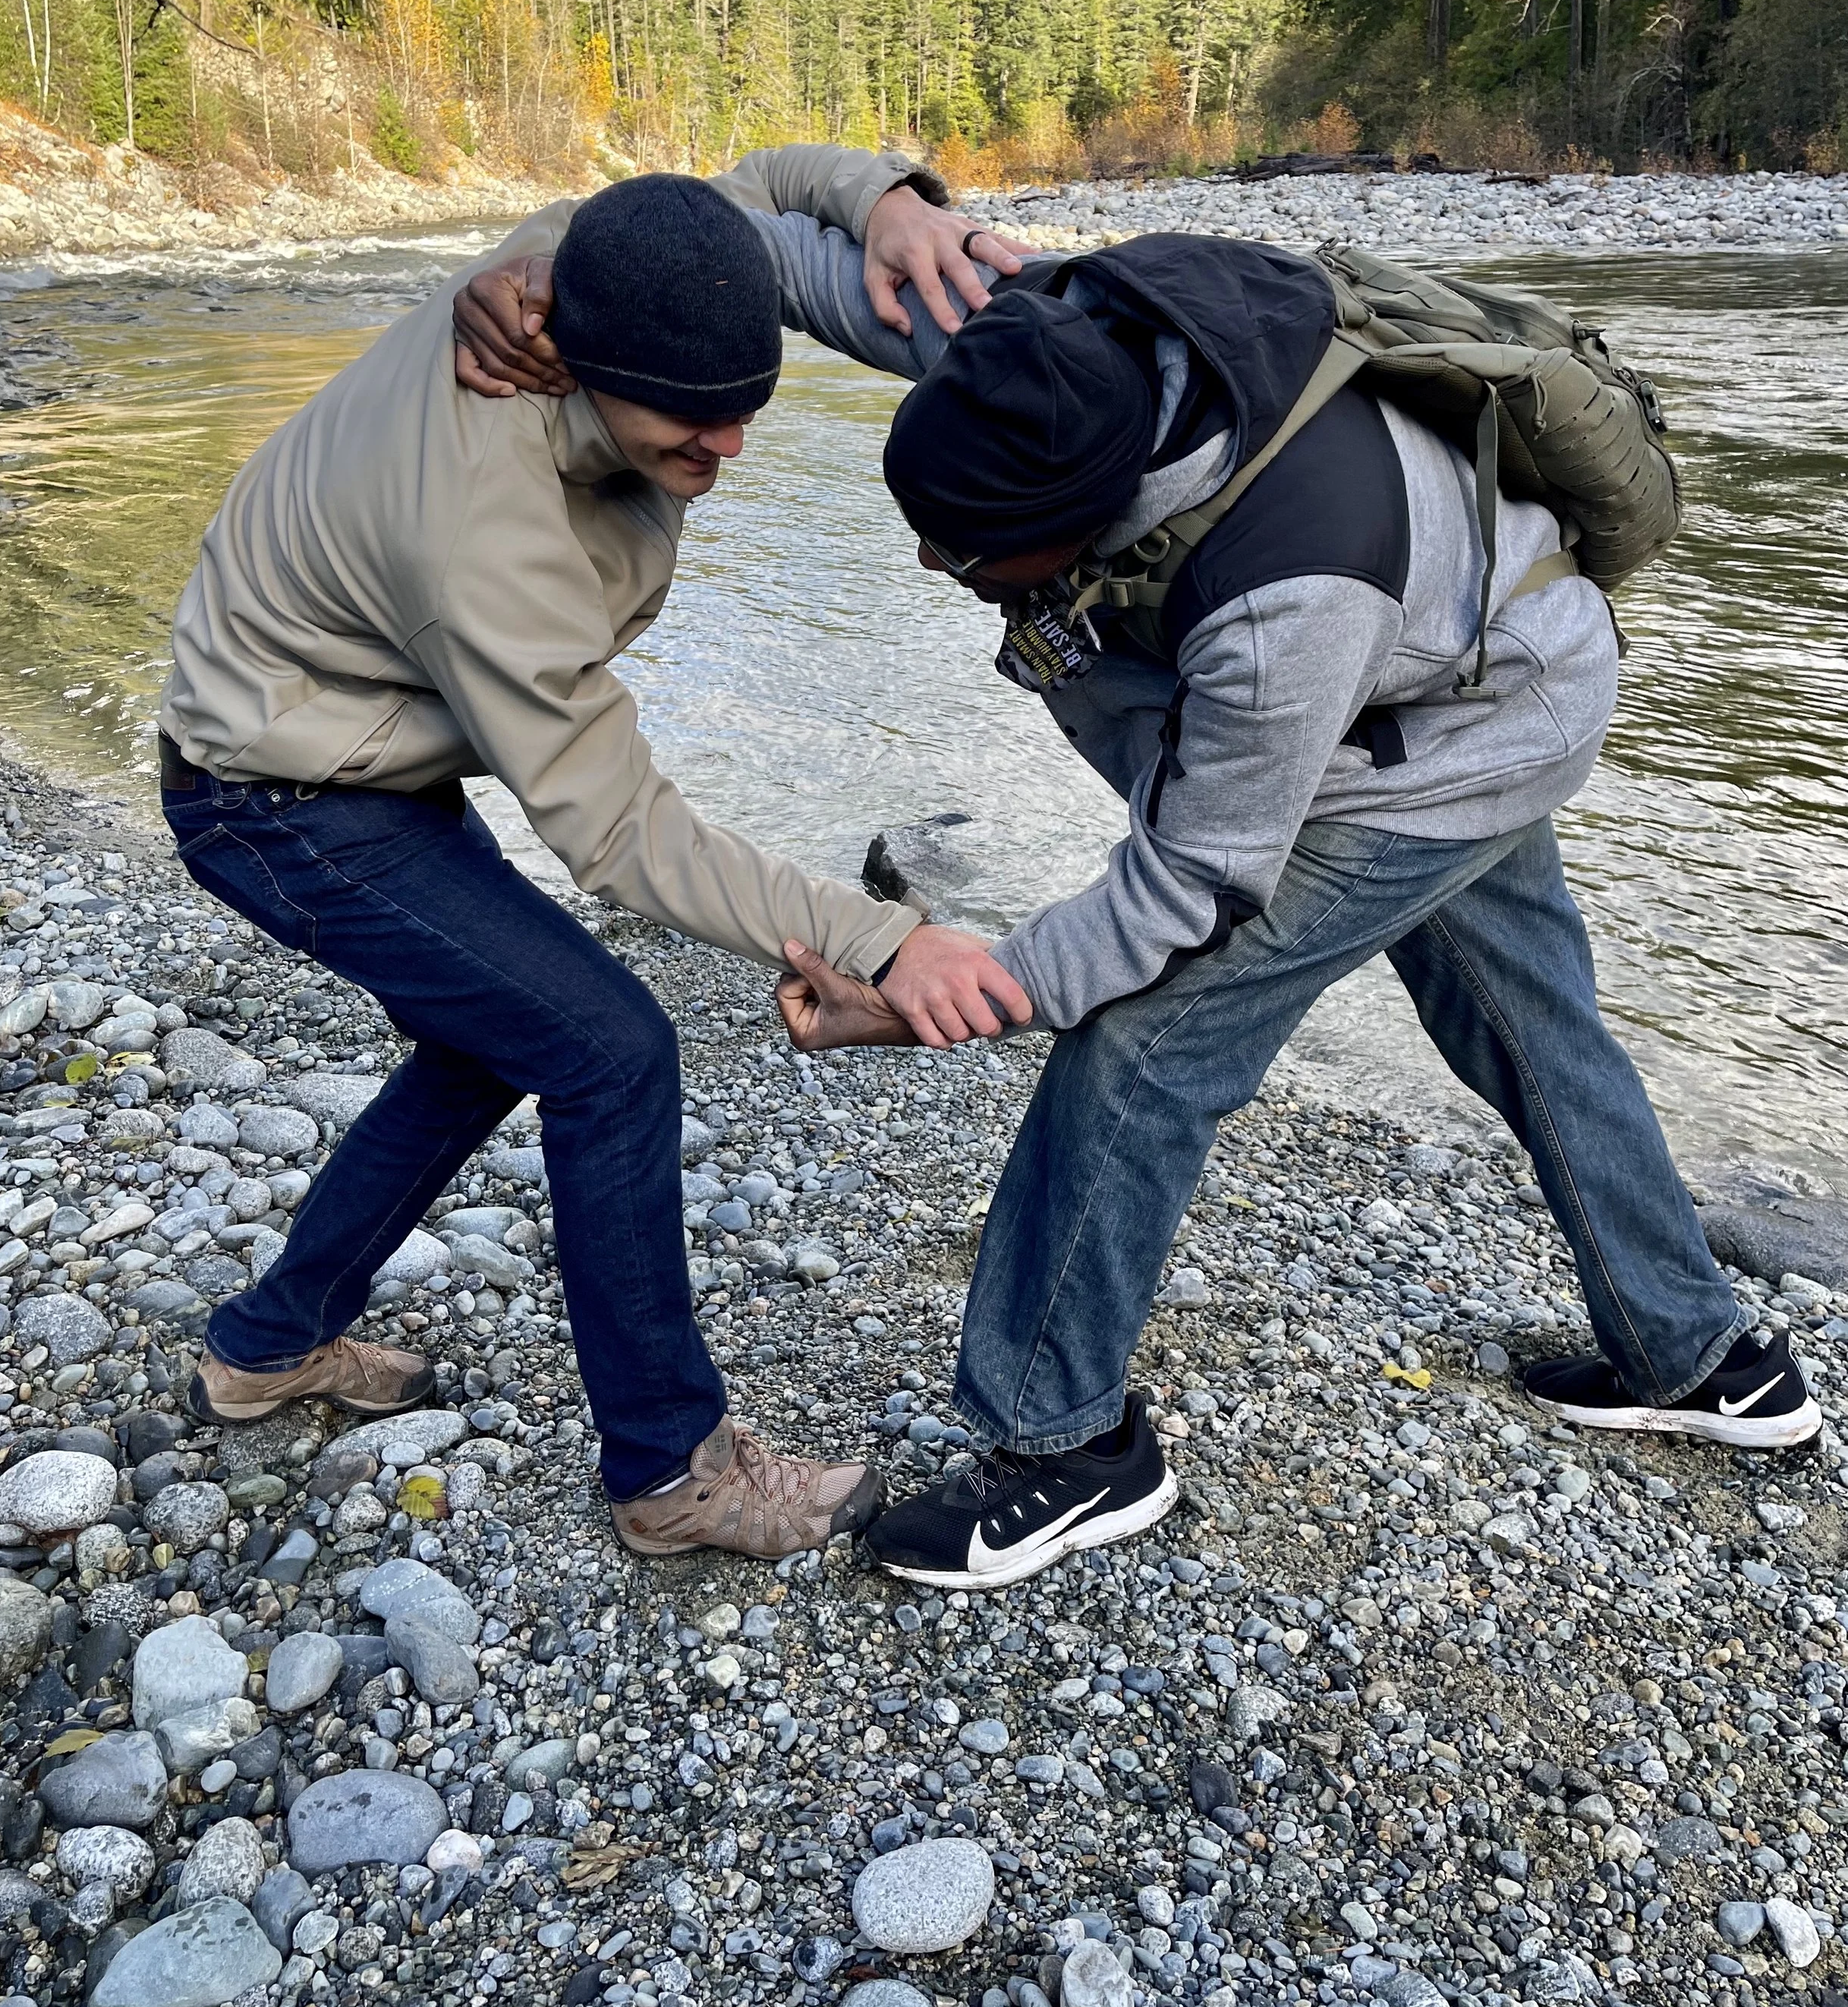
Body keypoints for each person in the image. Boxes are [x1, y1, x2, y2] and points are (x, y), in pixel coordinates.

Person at [455, 176, 1821, 1596]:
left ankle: (1068, 1446)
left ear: (1086, 519)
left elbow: (1190, 888)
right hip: (1488, 661)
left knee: (1145, 1047)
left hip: (1443, 742)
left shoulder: (1288, 603)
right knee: (1531, 1028)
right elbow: (792, 269)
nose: (937, 561)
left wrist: (928, 1000)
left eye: (975, 563)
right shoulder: (1047, 354)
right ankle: (1711, 1359)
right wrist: (559, 279)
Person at [157, 145, 1031, 1564]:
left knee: (498, 1035)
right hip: (278, 798)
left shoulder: (593, 266)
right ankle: (670, 1474)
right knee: (609, 1048)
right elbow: (617, 831)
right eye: (690, 424)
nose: (728, 450)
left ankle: (267, 1345)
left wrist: (882, 199)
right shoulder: (481, 529)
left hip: (339, 746)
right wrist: (879, 935)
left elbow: (743, 184)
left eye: (748, 411)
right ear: (578, 355)